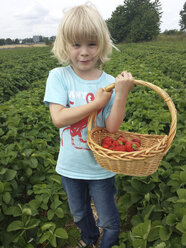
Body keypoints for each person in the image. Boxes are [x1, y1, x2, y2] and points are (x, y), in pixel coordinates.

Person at [44, 3, 134, 248]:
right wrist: (96, 104)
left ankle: (105, 244)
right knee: (80, 214)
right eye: (76, 44)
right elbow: (59, 118)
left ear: (102, 45)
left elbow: (112, 128)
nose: (84, 52)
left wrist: (121, 93)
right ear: (65, 45)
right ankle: (89, 238)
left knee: (109, 220)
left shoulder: (107, 82)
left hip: (101, 168)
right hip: (70, 167)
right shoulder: (58, 76)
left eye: (91, 44)